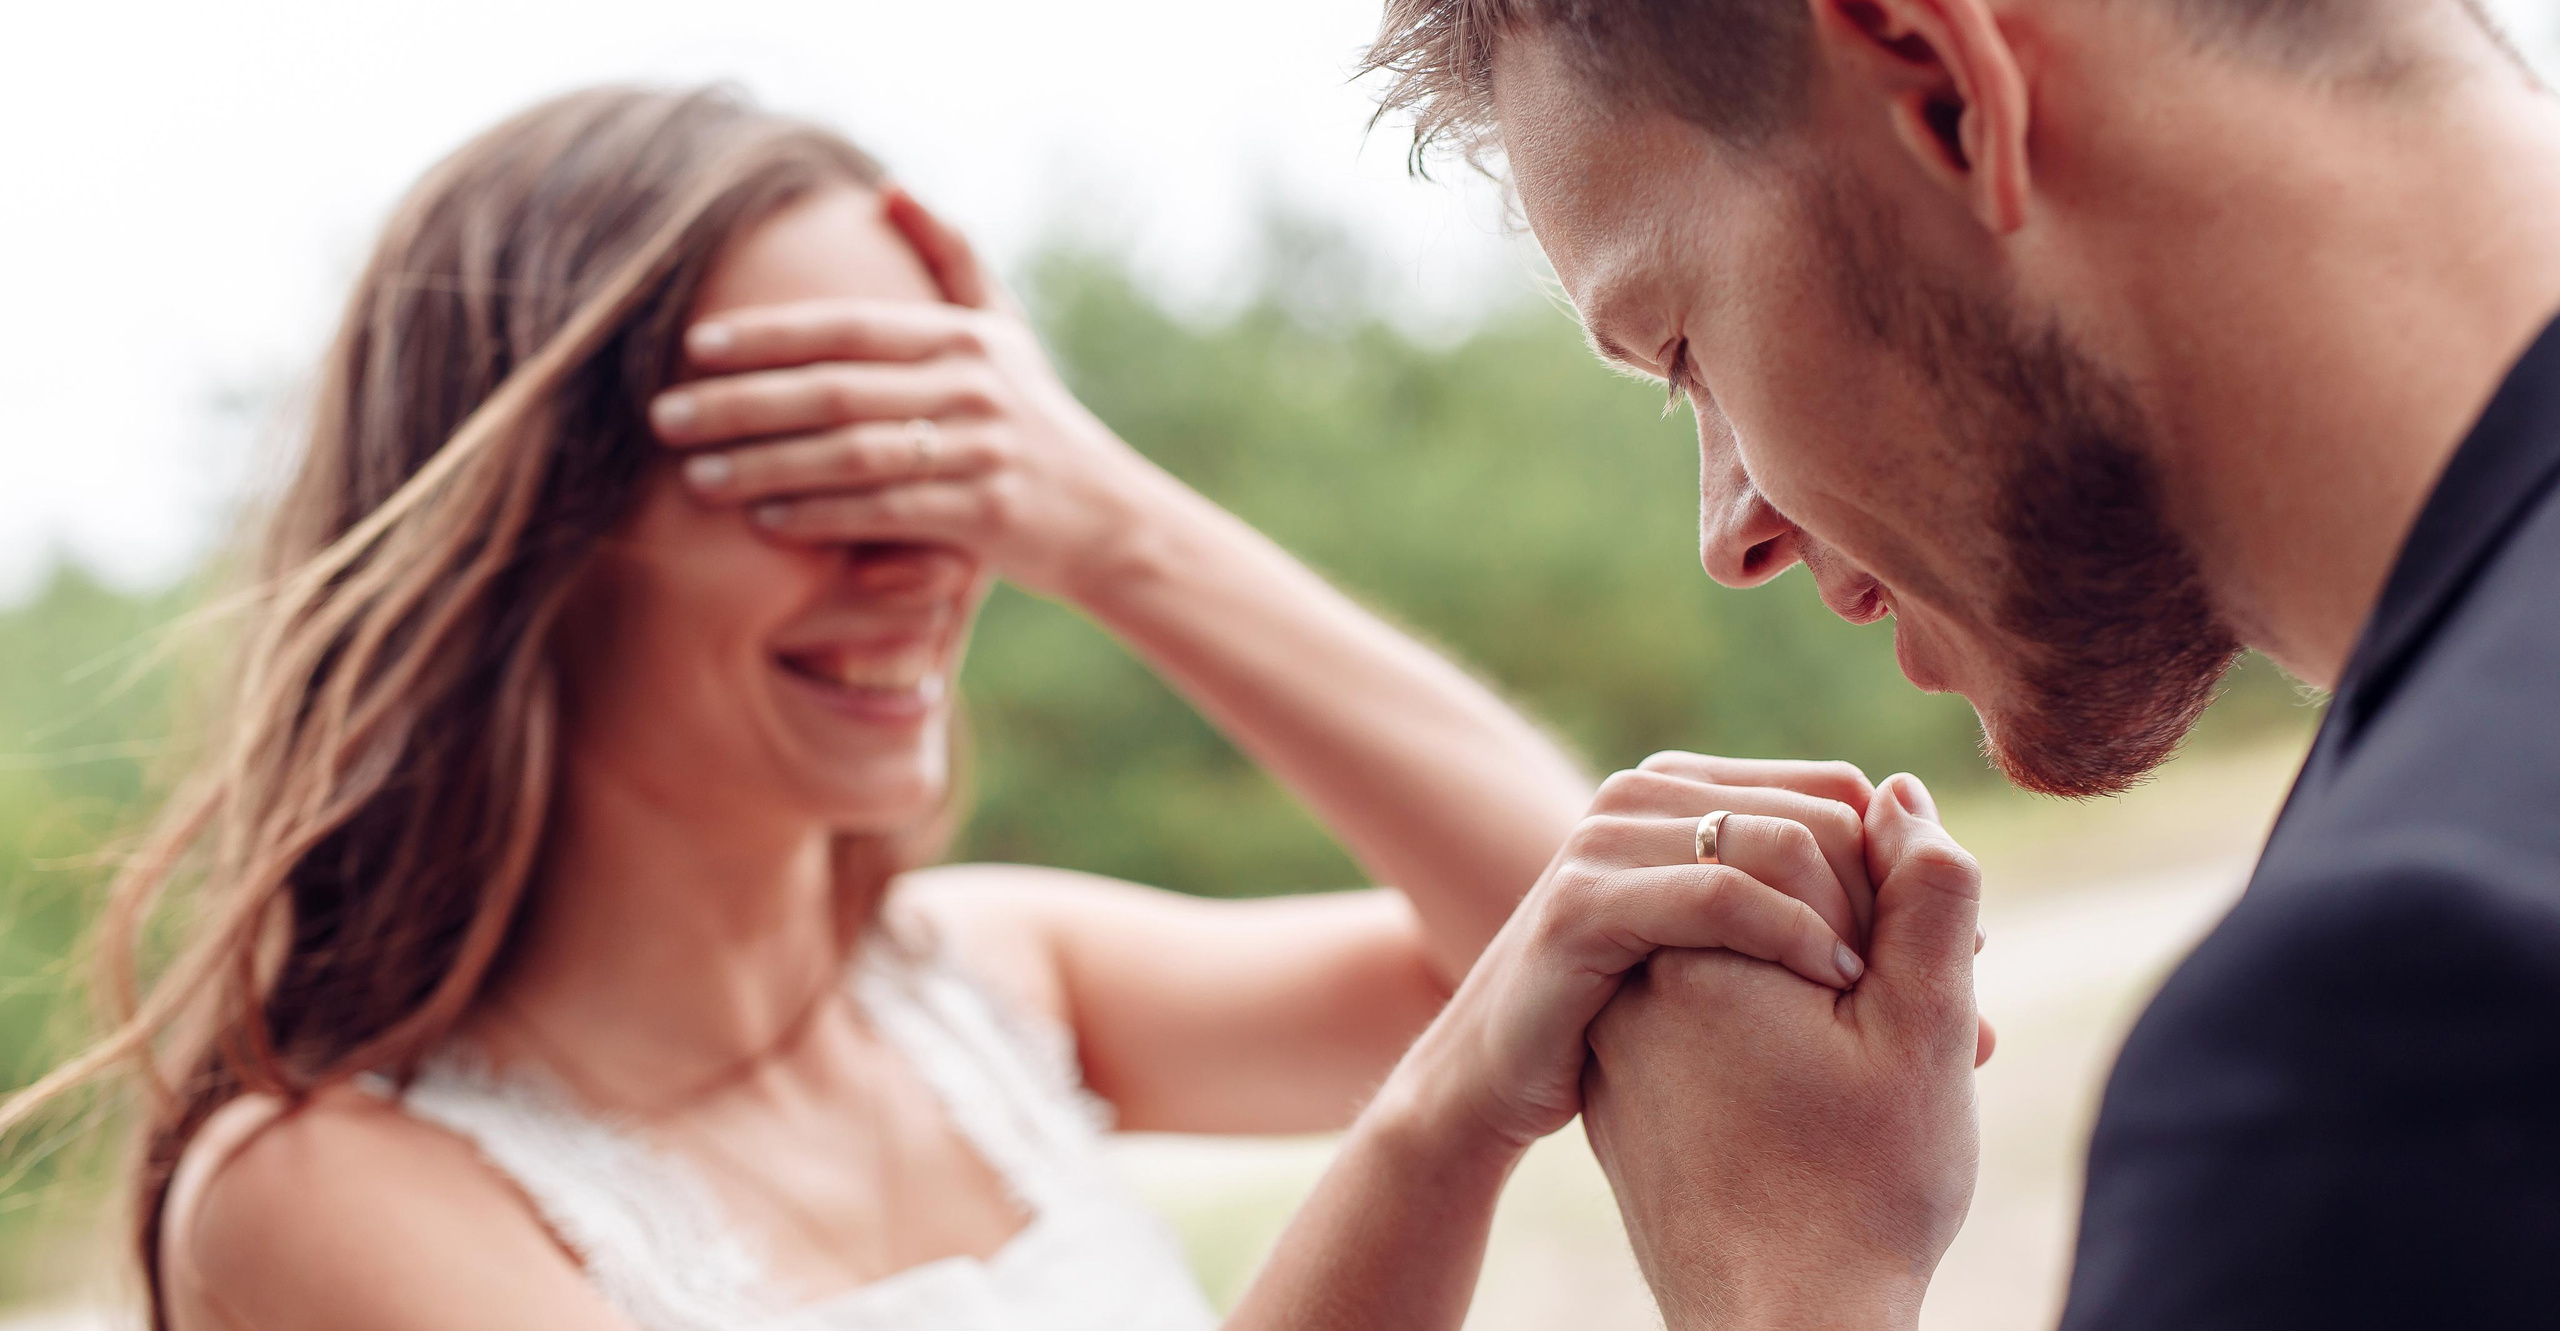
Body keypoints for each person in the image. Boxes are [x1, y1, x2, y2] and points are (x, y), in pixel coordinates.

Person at [0, 86, 1909, 1331]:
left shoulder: (991, 982)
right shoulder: (320, 1199)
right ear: (530, 534)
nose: (933, 546)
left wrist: (1111, 520)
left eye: (963, 447)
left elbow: (1600, 936)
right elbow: (1509, 993)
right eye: (834, 458)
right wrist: (1428, 1142)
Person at [1362, 0, 2560, 1325]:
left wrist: (1787, 1284)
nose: (1730, 535)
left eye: (1684, 347)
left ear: (1943, 87)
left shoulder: (2404, 1026)